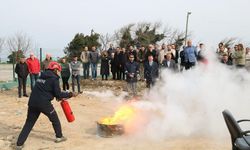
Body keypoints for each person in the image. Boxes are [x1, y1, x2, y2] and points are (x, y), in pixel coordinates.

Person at [16, 62, 77, 150]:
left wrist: (56, 95)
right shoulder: (54, 79)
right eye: (58, 71)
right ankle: (59, 137)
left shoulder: (41, 76)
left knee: (29, 123)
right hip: (44, 103)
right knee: (55, 119)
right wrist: (70, 94)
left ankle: (19, 144)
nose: (58, 72)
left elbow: (46, 89)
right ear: (55, 70)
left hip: (32, 102)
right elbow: (58, 94)